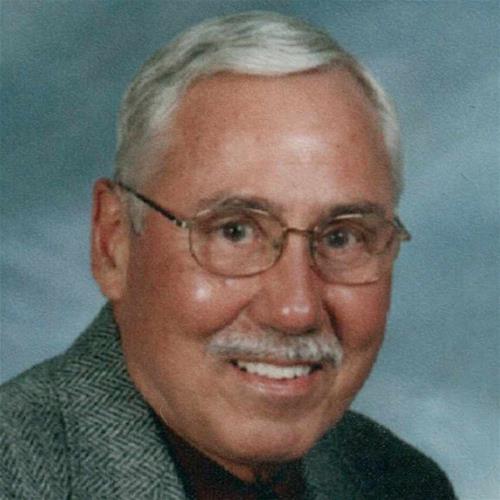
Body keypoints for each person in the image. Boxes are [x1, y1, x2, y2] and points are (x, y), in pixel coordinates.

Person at [0, 11, 455, 499]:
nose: (296, 310)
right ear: (114, 244)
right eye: (235, 232)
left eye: (342, 237)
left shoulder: (401, 483)